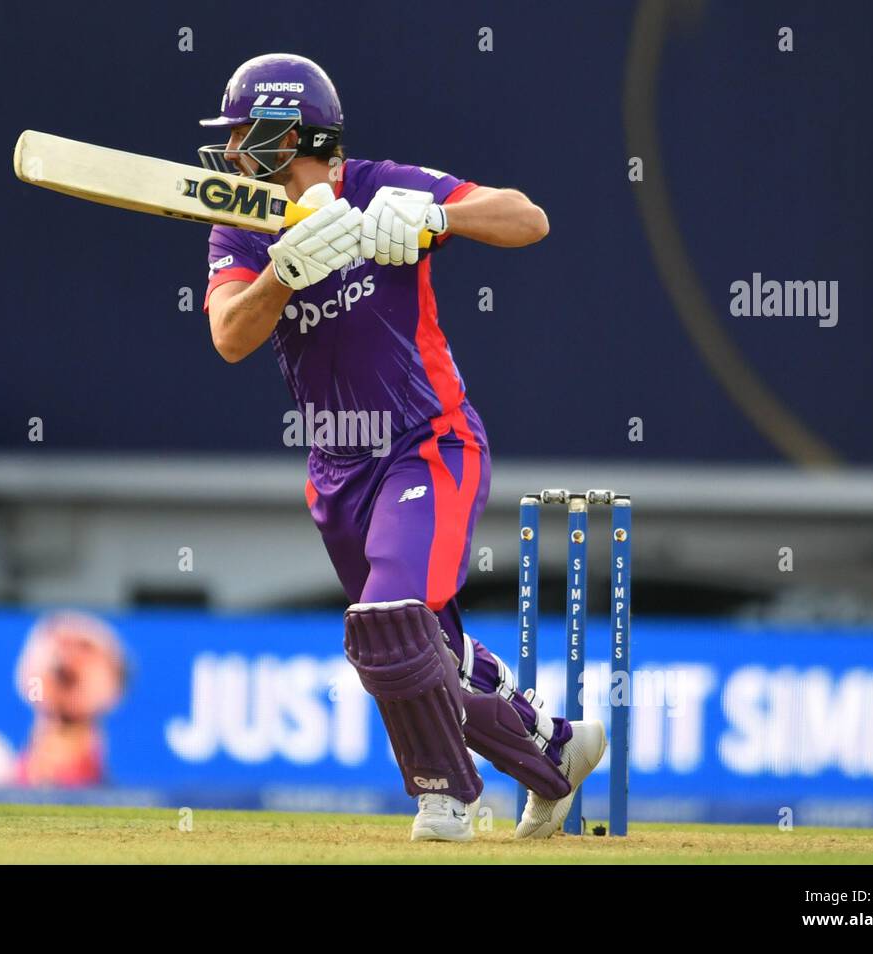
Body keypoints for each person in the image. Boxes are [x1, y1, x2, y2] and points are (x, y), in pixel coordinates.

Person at [201, 53, 605, 841]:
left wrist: (437, 218)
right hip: (337, 476)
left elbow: (528, 218)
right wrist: (283, 272)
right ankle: (557, 750)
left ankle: (446, 798)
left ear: (290, 137)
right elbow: (229, 336)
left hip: (429, 443)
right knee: (425, 650)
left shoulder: (384, 186)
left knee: (389, 618)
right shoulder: (243, 226)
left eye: (248, 135)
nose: (236, 153)